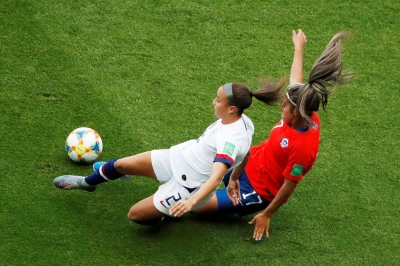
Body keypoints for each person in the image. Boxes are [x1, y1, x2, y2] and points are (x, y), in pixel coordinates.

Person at [191, 30, 352, 240]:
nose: (281, 107)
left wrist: (267, 214)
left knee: (197, 207)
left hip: (258, 190)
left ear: (296, 111)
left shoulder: (303, 148)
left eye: (285, 105)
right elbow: (297, 79)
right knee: (199, 167)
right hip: (248, 162)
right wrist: (298, 46)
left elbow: (288, 186)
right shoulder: (301, 108)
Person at [54, 80, 285, 225]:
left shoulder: (229, 141)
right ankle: (87, 183)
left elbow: (215, 178)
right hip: (178, 158)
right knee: (121, 165)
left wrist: (191, 201)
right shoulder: (245, 121)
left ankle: (165, 213)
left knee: (135, 215)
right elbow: (246, 155)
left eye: (218, 100)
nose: (213, 102)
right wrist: (235, 178)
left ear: (231, 108)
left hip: (188, 187)